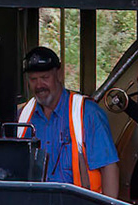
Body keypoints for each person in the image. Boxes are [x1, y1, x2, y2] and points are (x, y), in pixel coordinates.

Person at [17, 45, 121, 196]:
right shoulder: (22, 116)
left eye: (45, 78)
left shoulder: (88, 113)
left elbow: (109, 167)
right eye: (33, 79)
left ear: (59, 75)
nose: (39, 85)